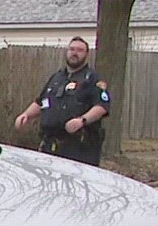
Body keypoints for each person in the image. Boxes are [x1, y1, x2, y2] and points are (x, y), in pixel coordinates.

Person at [14, 36, 110, 165]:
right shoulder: (57, 77)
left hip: (78, 148)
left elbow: (102, 106)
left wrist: (82, 120)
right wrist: (26, 115)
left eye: (79, 50)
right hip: (50, 145)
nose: (74, 53)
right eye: (72, 49)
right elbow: (41, 102)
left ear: (87, 54)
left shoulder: (92, 79)